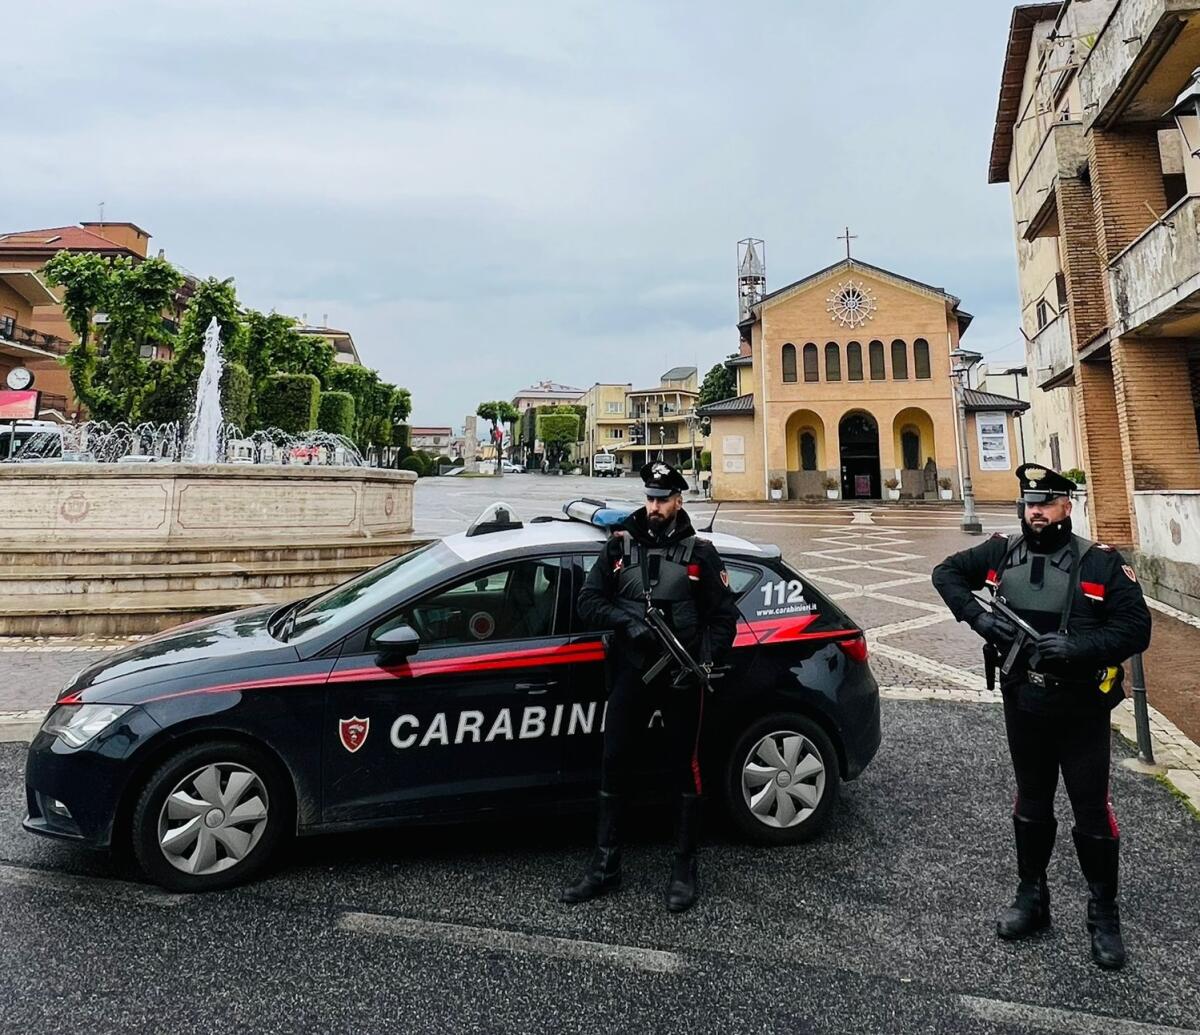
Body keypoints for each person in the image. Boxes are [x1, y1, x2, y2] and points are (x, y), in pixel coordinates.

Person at [931, 464, 1151, 970]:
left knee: (1091, 810)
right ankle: (1033, 898)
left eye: (1047, 502)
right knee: (1031, 804)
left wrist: (1078, 647)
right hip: (1024, 703)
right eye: (1030, 502)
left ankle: (1103, 915)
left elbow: (1136, 630)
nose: (1036, 511)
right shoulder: (1002, 552)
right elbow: (945, 574)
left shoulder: (1099, 564)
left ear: (1067, 507)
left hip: (1079, 710)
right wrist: (981, 618)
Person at [560, 460, 739, 912]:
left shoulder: (701, 553)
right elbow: (589, 601)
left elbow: (723, 619)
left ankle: (684, 868)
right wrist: (628, 624)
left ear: (679, 500)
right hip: (630, 671)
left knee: (686, 766)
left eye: (663, 498)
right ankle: (605, 865)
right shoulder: (619, 545)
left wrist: (705, 660)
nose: (655, 506)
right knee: (614, 759)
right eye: (650, 498)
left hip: (681, 677)